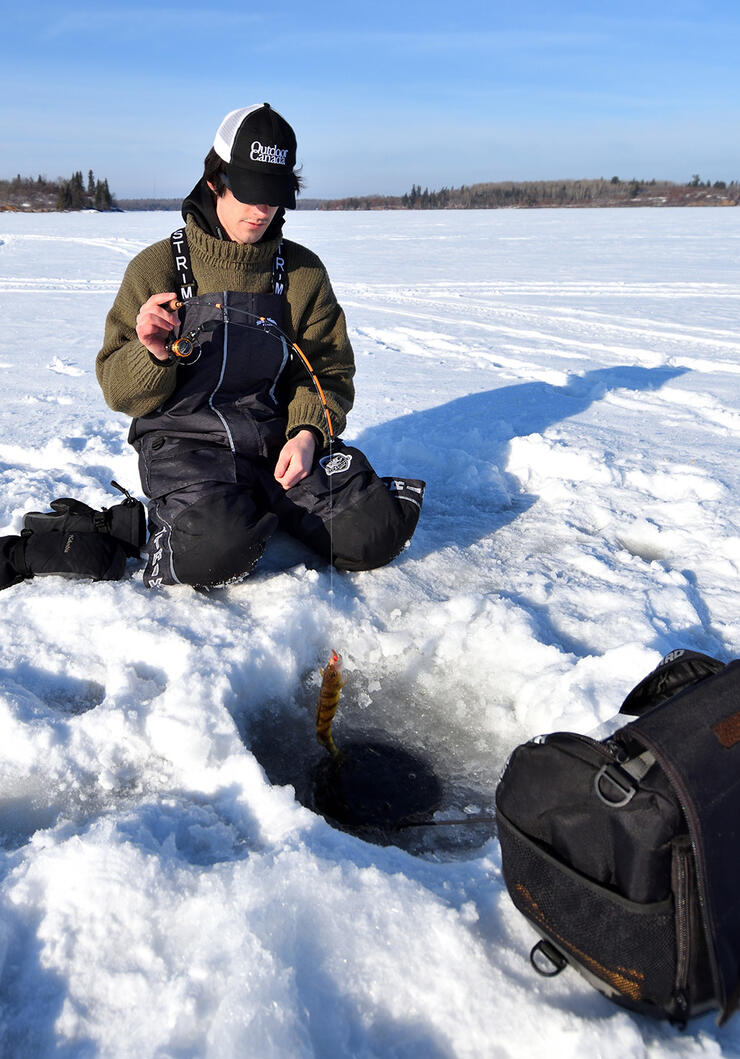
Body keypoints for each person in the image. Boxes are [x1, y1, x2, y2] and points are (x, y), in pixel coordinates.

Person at [96, 103, 424, 588]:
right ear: (214, 182)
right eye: (249, 193)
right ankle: (205, 519)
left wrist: (308, 433)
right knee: (215, 553)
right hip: (187, 443)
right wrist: (152, 353)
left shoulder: (301, 272)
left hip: (276, 441)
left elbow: (327, 370)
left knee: (372, 533)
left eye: (273, 196)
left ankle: (261, 500)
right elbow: (118, 392)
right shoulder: (157, 266)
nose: (262, 209)